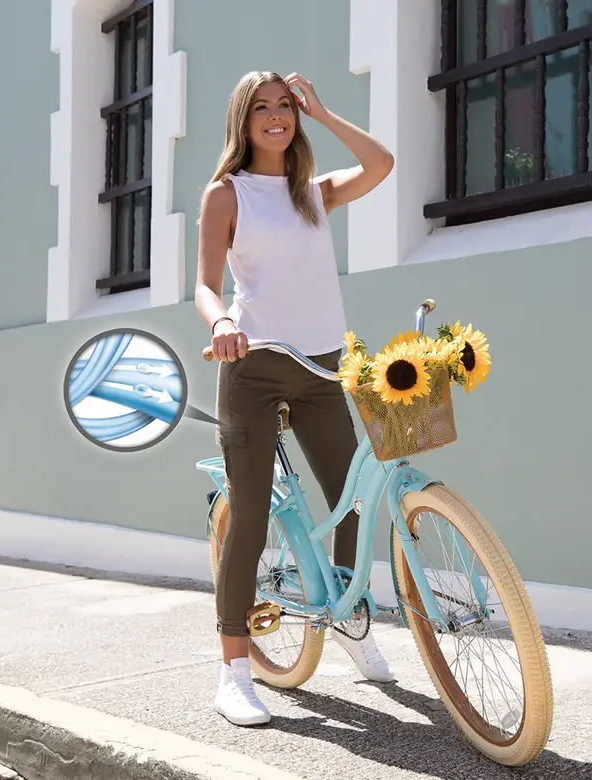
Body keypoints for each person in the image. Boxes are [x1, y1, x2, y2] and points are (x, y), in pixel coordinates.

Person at [194, 70, 395, 727]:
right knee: (250, 515)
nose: (276, 117)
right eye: (262, 108)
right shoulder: (227, 195)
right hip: (253, 367)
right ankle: (233, 672)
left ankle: (350, 623)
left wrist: (327, 113)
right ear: (242, 120)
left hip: (322, 369)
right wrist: (222, 322)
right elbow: (204, 284)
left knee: (350, 501)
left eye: (285, 107)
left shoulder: (312, 191)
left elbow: (382, 163)